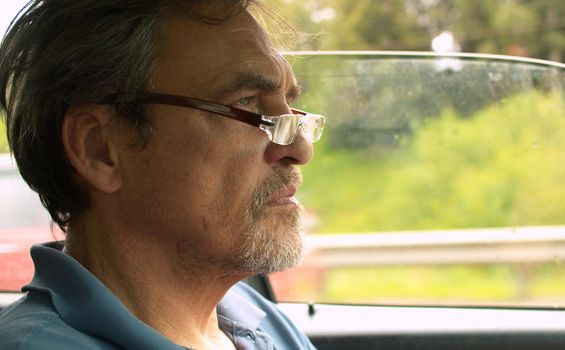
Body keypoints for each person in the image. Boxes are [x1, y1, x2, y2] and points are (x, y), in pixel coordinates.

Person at [0, 0, 325, 349]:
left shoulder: (253, 317)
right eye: (245, 102)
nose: (300, 150)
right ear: (99, 149)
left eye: (289, 108)